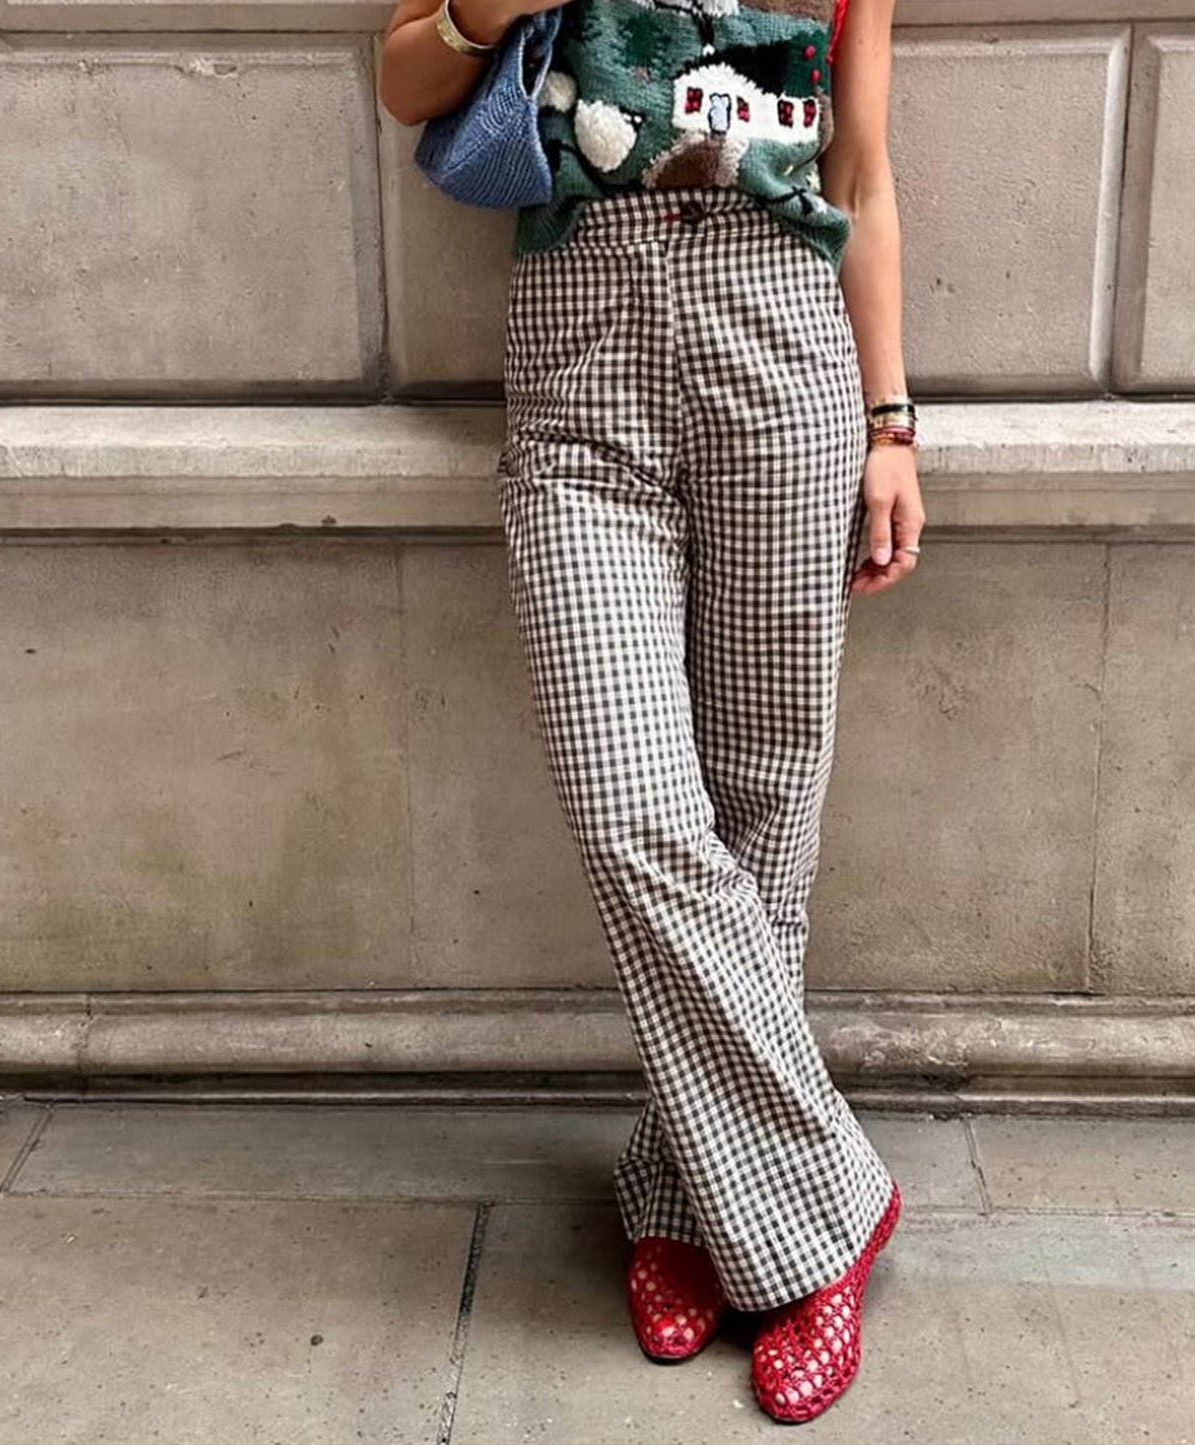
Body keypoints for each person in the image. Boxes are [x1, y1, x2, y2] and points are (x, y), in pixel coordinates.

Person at [380, 0, 924, 1421]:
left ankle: (687, 1196)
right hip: (581, 345)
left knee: (764, 810)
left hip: (782, 348)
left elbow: (861, 174)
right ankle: (829, 1207)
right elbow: (404, 79)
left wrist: (891, 426)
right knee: (634, 810)